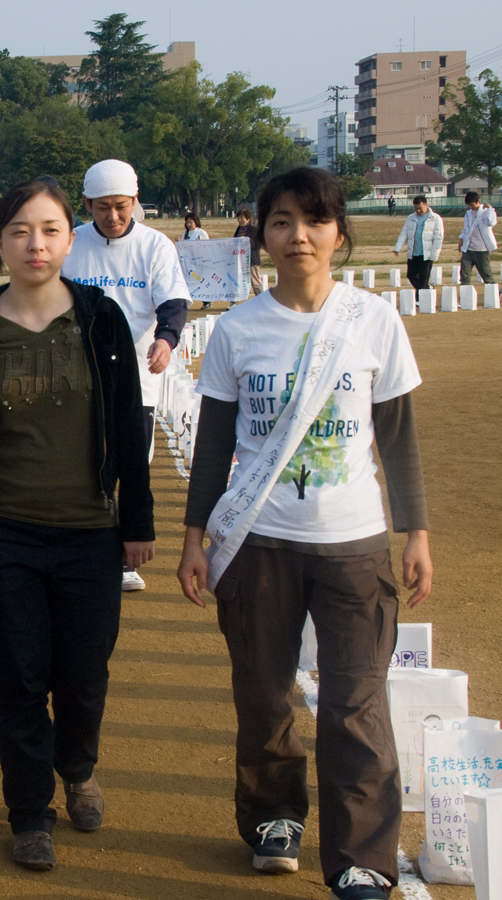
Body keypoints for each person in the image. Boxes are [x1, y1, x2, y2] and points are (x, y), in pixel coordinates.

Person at [177, 167, 433, 900]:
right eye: (282, 221)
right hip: (257, 542)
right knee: (263, 691)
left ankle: (361, 858)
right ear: (261, 233)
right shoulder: (237, 329)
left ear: (339, 233)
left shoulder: (374, 320)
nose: (299, 236)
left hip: (354, 543)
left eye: (315, 221)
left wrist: (414, 532)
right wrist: (196, 536)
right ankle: (272, 817)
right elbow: (215, 442)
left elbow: (399, 438)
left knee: (357, 704)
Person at [0, 180, 154, 872]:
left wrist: (136, 520)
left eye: (51, 229)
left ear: (70, 237)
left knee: (84, 675)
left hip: (91, 531)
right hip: (4, 536)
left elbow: (127, 421)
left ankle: (78, 766)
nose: (36, 244)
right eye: (21, 231)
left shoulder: (101, 320)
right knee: (20, 681)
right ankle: (31, 812)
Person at [60, 158, 190, 592]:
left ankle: (121, 557)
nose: (113, 217)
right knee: (85, 464)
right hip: (75, 376)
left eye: (121, 206)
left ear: (135, 201)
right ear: (86, 204)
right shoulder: (70, 242)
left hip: (137, 374)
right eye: (101, 208)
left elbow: (172, 301)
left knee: (131, 463)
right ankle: (86, 550)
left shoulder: (155, 247)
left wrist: (166, 340)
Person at [393, 194, 444, 290]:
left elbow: (438, 237)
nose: (418, 211)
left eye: (420, 208)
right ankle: (427, 289)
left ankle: (420, 300)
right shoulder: (411, 218)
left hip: (426, 254)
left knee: (423, 279)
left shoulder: (435, 218)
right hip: (413, 252)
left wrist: (434, 254)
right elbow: (404, 233)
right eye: (416, 209)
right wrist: (397, 248)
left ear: (426, 205)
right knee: (411, 275)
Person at [458, 191, 497, 285]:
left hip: (481, 249)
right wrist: (461, 240)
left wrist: (490, 210)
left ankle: (496, 291)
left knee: (486, 273)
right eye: (469, 205)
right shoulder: (468, 214)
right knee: (464, 273)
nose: (471, 207)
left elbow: (491, 222)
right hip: (468, 248)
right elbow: (466, 229)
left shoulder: (486, 212)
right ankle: (465, 293)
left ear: (478, 201)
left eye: (472, 204)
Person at [233, 205, 263, 299]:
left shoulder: (253, 230)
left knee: (255, 282)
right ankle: (235, 301)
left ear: (248, 218)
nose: (240, 220)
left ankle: (262, 299)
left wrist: (246, 241)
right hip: (240, 261)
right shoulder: (238, 230)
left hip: (252, 260)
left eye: (242, 217)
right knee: (238, 281)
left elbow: (258, 245)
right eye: (238, 217)